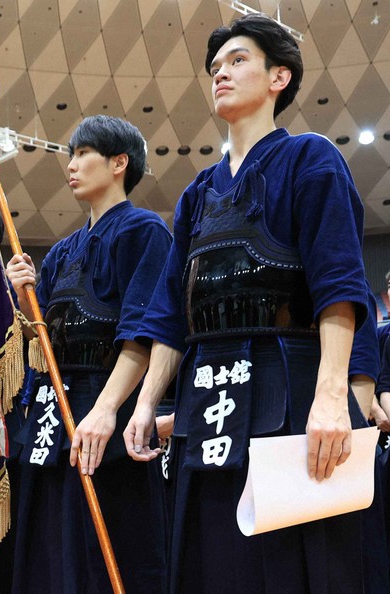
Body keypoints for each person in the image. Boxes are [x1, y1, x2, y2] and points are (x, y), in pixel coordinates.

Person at [123, 14, 371, 593]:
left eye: (237, 61)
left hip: (290, 393)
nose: (220, 75)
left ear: (279, 76)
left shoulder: (311, 158)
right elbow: (168, 314)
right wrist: (144, 403)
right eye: (214, 68)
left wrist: (332, 396)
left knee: (295, 563)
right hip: (204, 398)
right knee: (208, 562)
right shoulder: (195, 195)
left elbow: (340, 284)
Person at [5, 115, 172, 593]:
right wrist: (24, 298)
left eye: (83, 154)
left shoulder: (144, 231)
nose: (71, 166)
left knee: (111, 554)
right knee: (50, 551)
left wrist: (105, 412)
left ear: (119, 163)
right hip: (53, 414)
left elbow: (143, 334)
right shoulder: (61, 252)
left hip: (106, 411)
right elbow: (43, 344)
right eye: (71, 155)